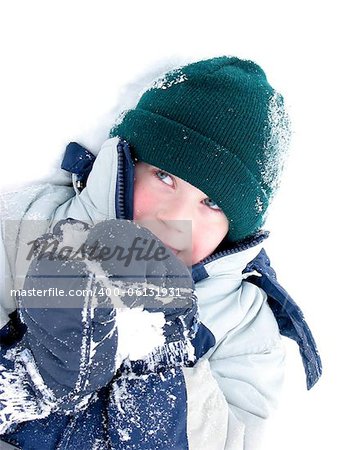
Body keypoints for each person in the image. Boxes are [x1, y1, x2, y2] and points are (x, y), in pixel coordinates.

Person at [0, 55, 322, 450]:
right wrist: (34, 372)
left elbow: (235, 439)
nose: (175, 218)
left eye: (213, 204)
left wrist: (158, 356)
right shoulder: (27, 227)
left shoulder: (242, 324)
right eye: (164, 177)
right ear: (127, 166)